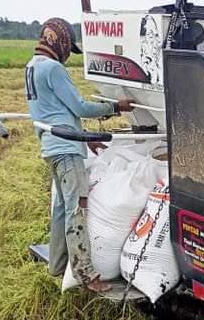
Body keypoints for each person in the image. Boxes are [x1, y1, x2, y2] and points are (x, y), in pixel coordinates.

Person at [25, 17, 134, 292]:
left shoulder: (32, 66)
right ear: (58, 40)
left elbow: (57, 112)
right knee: (77, 209)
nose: (66, 53)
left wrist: (87, 140)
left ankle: (57, 265)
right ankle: (86, 275)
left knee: (61, 209)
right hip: (65, 148)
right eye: (66, 46)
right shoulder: (52, 69)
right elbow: (80, 107)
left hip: (52, 146)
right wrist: (116, 107)